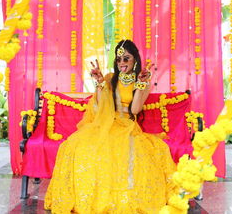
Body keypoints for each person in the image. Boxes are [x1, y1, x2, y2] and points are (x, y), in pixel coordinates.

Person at [45, 40, 176, 213]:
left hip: (127, 125)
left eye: (126, 58)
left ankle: (122, 198)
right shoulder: (109, 79)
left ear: (135, 59)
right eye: (119, 59)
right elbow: (99, 106)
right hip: (106, 122)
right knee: (77, 146)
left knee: (129, 149)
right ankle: (92, 196)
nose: (122, 63)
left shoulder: (143, 81)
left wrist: (141, 85)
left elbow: (135, 109)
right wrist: (99, 83)